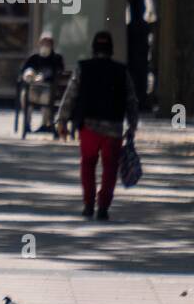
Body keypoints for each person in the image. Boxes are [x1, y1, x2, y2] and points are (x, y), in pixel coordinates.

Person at [56, 31, 140, 221]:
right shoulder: (121, 71)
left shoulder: (83, 68)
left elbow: (70, 95)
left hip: (89, 127)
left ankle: (88, 204)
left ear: (94, 48)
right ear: (111, 49)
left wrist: (62, 120)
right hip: (114, 128)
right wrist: (132, 125)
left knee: (88, 164)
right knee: (110, 168)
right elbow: (131, 100)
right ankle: (103, 207)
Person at [19, 33, 66, 132]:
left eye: (48, 43)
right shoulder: (34, 57)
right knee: (25, 95)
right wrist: (29, 74)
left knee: (46, 97)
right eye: (43, 42)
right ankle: (27, 124)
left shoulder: (56, 58)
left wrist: (46, 77)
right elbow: (23, 70)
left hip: (49, 89)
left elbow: (60, 72)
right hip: (34, 88)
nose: (45, 45)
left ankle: (46, 124)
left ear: (52, 45)